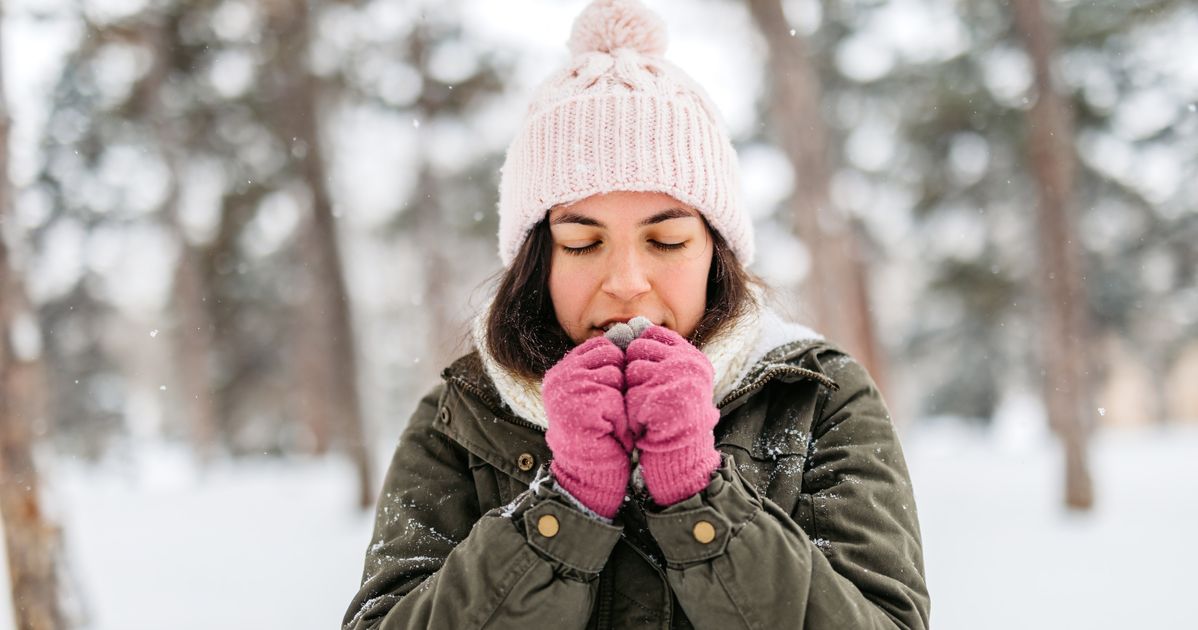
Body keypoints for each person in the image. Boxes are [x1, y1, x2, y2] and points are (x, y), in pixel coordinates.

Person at [343, 1, 929, 628]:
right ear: (538, 262)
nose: (625, 283)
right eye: (582, 244)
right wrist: (562, 512)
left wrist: (699, 499)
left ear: (715, 252)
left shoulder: (817, 397)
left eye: (667, 241)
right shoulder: (461, 416)